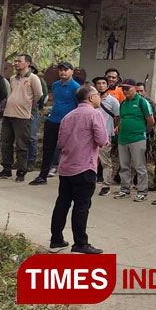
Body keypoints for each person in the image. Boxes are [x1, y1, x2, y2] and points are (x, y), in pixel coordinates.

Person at [49, 84, 109, 254]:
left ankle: (56, 239)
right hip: (85, 166)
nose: (99, 97)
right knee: (81, 206)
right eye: (97, 94)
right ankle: (80, 243)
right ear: (90, 98)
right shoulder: (94, 114)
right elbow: (102, 140)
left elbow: (60, 142)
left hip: (66, 166)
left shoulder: (68, 116)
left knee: (62, 203)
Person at [0, 54, 43, 181]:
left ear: (27, 63)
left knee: (21, 145)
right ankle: (6, 169)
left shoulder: (33, 78)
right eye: (15, 61)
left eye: (19, 61)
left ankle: (21, 171)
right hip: (8, 114)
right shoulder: (13, 78)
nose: (16, 63)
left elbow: (38, 95)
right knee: (6, 143)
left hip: (22, 116)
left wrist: (28, 107)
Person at [30, 62, 80, 186]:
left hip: (67, 123)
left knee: (69, 149)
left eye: (66, 70)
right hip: (53, 120)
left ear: (72, 72)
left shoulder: (76, 87)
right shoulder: (56, 85)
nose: (63, 72)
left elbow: (79, 105)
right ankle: (43, 175)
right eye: (61, 70)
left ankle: (70, 176)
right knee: (48, 149)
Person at [113, 78, 154, 202]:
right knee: (124, 165)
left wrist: (143, 132)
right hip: (123, 138)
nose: (126, 92)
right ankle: (125, 189)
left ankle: (142, 191)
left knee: (139, 166)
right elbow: (119, 119)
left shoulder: (142, 102)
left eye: (128, 89)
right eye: (124, 89)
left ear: (135, 88)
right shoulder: (123, 103)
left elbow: (150, 121)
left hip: (137, 138)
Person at [91, 77, 120, 196]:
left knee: (105, 161)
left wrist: (110, 128)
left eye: (104, 83)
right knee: (91, 160)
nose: (101, 85)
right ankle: (90, 182)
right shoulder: (91, 100)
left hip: (106, 135)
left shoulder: (113, 101)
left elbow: (117, 118)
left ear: (107, 85)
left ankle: (106, 185)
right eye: (98, 83)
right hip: (91, 134)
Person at [135, 81, 156, 191]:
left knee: (142, 158)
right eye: (137, 91)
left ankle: (140, 182)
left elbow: (155, 119)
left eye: (141, 91)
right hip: (131, 134)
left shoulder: (150, 103)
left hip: (145, 135)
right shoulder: (129, 102)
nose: (139, 93)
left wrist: (147, 131)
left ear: (145, 91)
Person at [27, 63, 48, 172]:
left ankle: (31, 160)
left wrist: (37, 108)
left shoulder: (40, 81)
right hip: (20, 112)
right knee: (21, 138)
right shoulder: (18, 79)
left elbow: (43, 96)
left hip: (33, 112)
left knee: (32, 137)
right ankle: (22, 160)